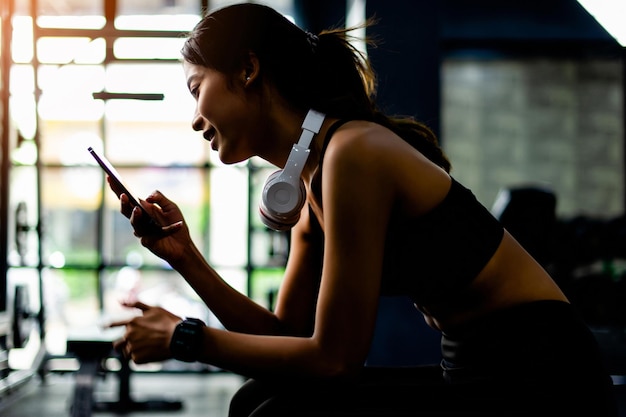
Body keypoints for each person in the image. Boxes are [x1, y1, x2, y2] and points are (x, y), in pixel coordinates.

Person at [108, 3, 617, 416]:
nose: (195, 119)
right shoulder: (314, 185)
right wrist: (185, 258)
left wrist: (188, 339)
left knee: (277, 412)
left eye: (197, 90)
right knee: (259, 399)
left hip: (538, 375)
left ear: (247, 69)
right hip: (472, 369)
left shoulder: (353, 152)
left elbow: (334, 362)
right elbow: (286, 339)